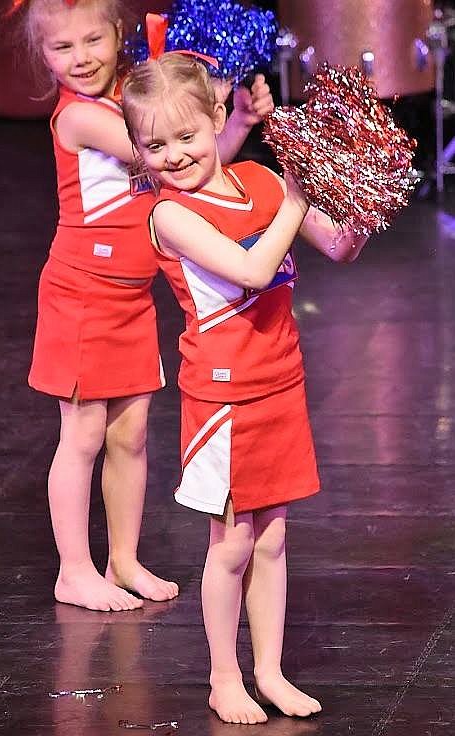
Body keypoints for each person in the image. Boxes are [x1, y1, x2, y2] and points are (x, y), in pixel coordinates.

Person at [120, 52, 368, 723]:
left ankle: (269, 671)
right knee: (230, 545)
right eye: (154, 144)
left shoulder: (259, 179)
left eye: (186, 136)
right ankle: (223, 678)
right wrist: (296, 196)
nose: (172, 155)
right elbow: (255, 271)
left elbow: (340, 246)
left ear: (215, 119)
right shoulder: (169, 215)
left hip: (281, 385)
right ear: (138, 151)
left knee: (273, 540)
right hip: (222, 400)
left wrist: (360, 180)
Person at [14, 0, 275, 612]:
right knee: (81, 434)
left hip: (131, 299)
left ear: (118, 33)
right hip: (81, 295)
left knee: (129, 435)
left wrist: (231, 120)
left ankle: (123, 559)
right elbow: (155, 147)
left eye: (92, 41)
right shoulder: (80, 117)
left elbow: (192, 164)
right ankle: (73, 570)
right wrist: (200, 101)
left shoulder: (133, 96)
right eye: (61, 48)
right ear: (43, 56)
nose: (80, 59)